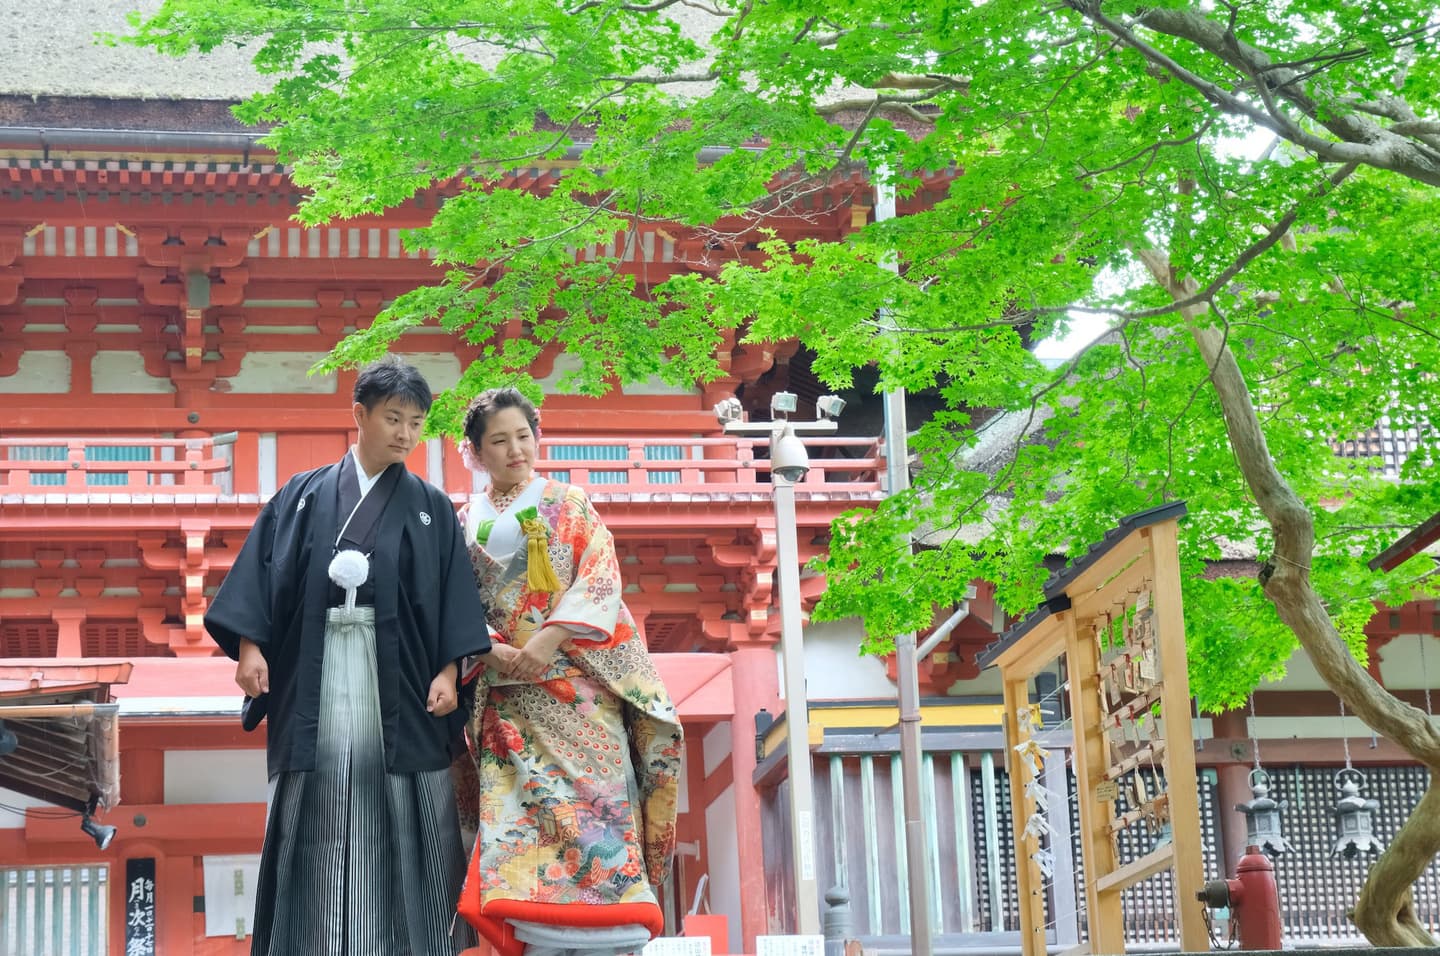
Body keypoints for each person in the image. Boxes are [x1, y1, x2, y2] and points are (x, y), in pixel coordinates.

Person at [205, 356, 490, 956]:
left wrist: (448, 670)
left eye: (416, 423)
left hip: (405, 689)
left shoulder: (431, 507)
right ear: (358, 415)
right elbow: (262, 579)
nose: (406, 435)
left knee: (409, 813)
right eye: (393, 419)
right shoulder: (301, 496)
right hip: (316, 683)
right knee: (317, 813)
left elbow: (453, 598)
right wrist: (250, 649)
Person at [453, 388, 683, 956]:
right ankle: (537, 933)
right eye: (499, 441)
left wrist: (550, 638)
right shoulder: (460, 522)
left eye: (524, 436)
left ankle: (615, 929)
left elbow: (599, 580)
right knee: (521, 823)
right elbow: (449, 602)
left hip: (579, 694)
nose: (516, 450)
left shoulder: (570, 502)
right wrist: (488, 649)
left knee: (596, 809)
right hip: (508, 703)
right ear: (476, 451)